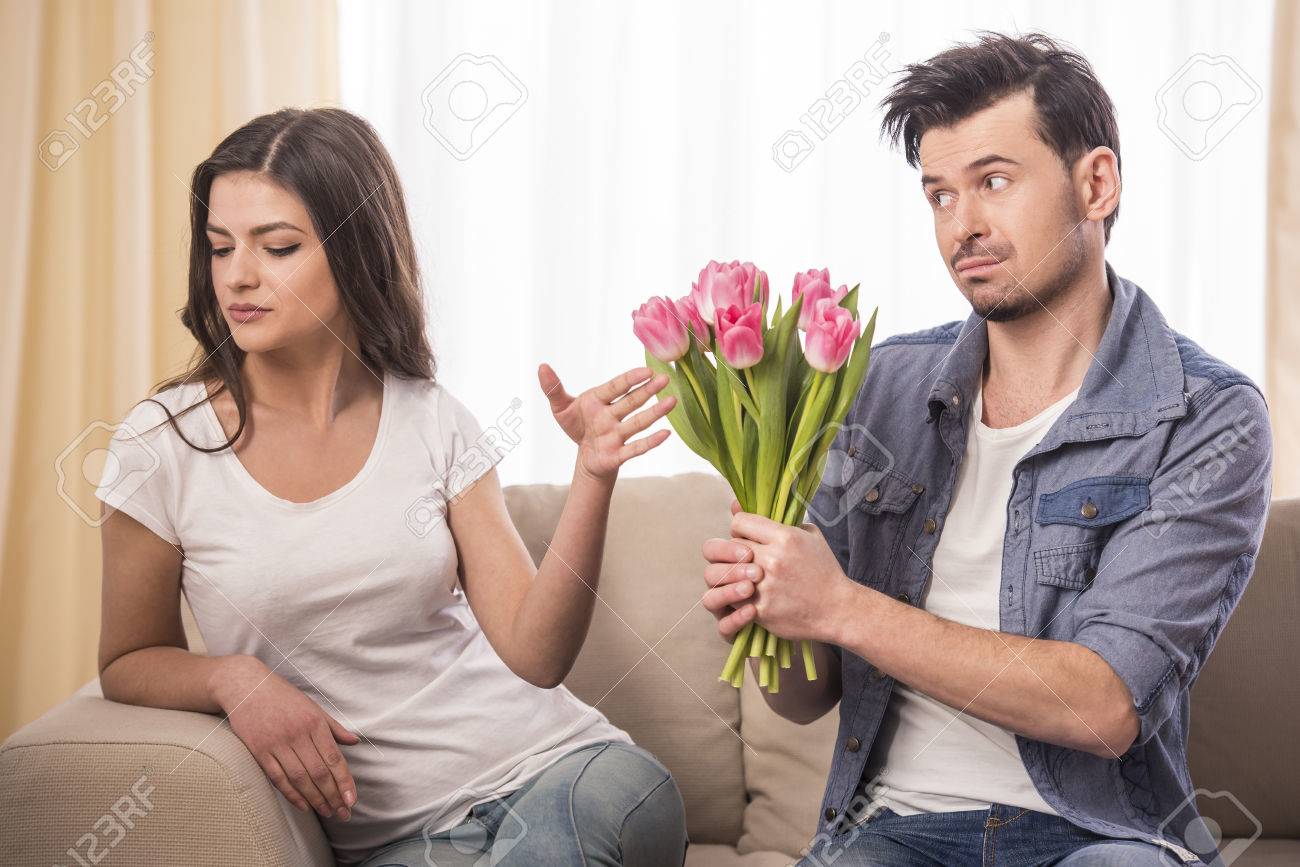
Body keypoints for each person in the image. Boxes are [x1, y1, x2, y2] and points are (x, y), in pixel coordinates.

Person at [701, 32, 1271, 866]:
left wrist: (841, 605)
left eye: (993, 182)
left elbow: (1103, 705)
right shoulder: (876, 387)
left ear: (1096, 184)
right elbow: (806, 696)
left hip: (1101, 836)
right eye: (938, 195)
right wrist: (768, 614)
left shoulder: (1206, 419)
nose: (961, 225)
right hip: (892, 830)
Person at [95, 107, 687, 867]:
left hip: (571, 770)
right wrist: (235, 680)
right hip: (397, 838)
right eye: (219, 247)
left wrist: (593, 474)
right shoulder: (162, 444)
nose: (237, 275)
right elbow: (129, 656)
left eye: (277, 247)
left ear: (356, 253)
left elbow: (537, 655)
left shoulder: (433, 419)